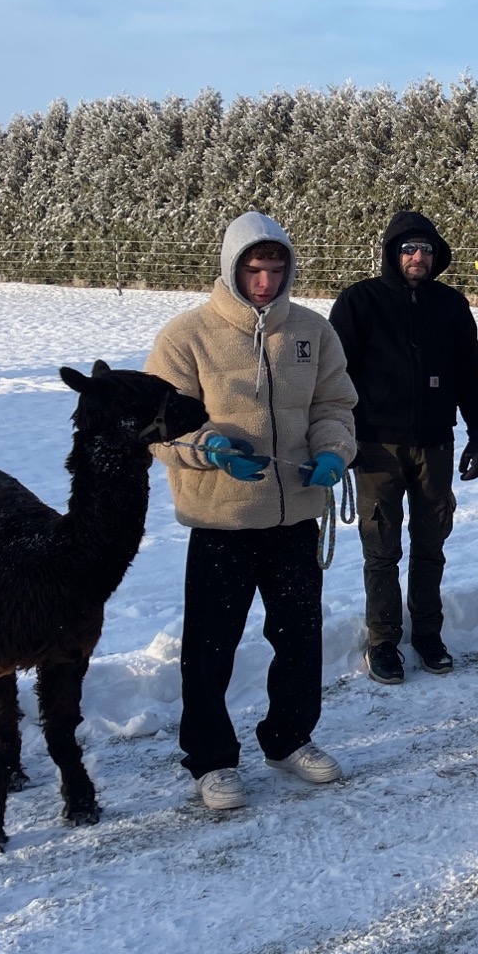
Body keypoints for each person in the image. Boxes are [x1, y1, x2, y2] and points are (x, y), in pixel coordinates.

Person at [148, 212, 359, 812]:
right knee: (211, 645)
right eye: (253, 269)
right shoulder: (186, 336)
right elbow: (161, 427)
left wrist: (332, 451)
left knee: (299, 638)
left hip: (296, 517)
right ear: (231, 268)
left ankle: (289, 738)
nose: (265, 281)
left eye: (275, 269)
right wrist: (209, 448)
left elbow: (335, 404)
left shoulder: (313, 332)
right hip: (223, 521)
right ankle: (212, 760)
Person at [328, 211, 478, 685]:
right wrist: (343, 438)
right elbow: (335, 379)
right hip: (375, 446)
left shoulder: (451, 305)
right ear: (392, 253)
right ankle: (383, 640)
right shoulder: (360, 302)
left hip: (436, 444)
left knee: (431, 545)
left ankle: (427, 633)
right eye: (408, 249)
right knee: (381, 550)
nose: (417, 257)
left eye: (425, 249)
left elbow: (470, 372)